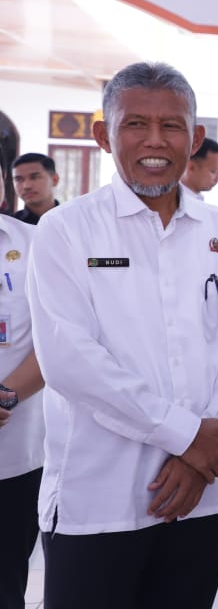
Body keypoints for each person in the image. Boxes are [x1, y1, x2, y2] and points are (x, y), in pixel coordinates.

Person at [26, 61, 218, 609]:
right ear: (104, 136)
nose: (155, 140)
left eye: (172, 126)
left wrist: (201, 455)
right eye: (135, 124)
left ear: (194, 139)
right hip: (97, 501)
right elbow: (70, 361)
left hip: (204, 494)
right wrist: (187, 437)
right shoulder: (66, 230)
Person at [0, 153, 45, 609]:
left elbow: (59, 339)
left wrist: (5, 396)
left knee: (6, 579)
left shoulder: (35, 245)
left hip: (15, 453)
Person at [12, 152, 59, 225]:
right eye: (19, 179)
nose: (26, 186)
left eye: (34, 177)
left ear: (55, 180)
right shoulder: (10, 225)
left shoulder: (71, 220)